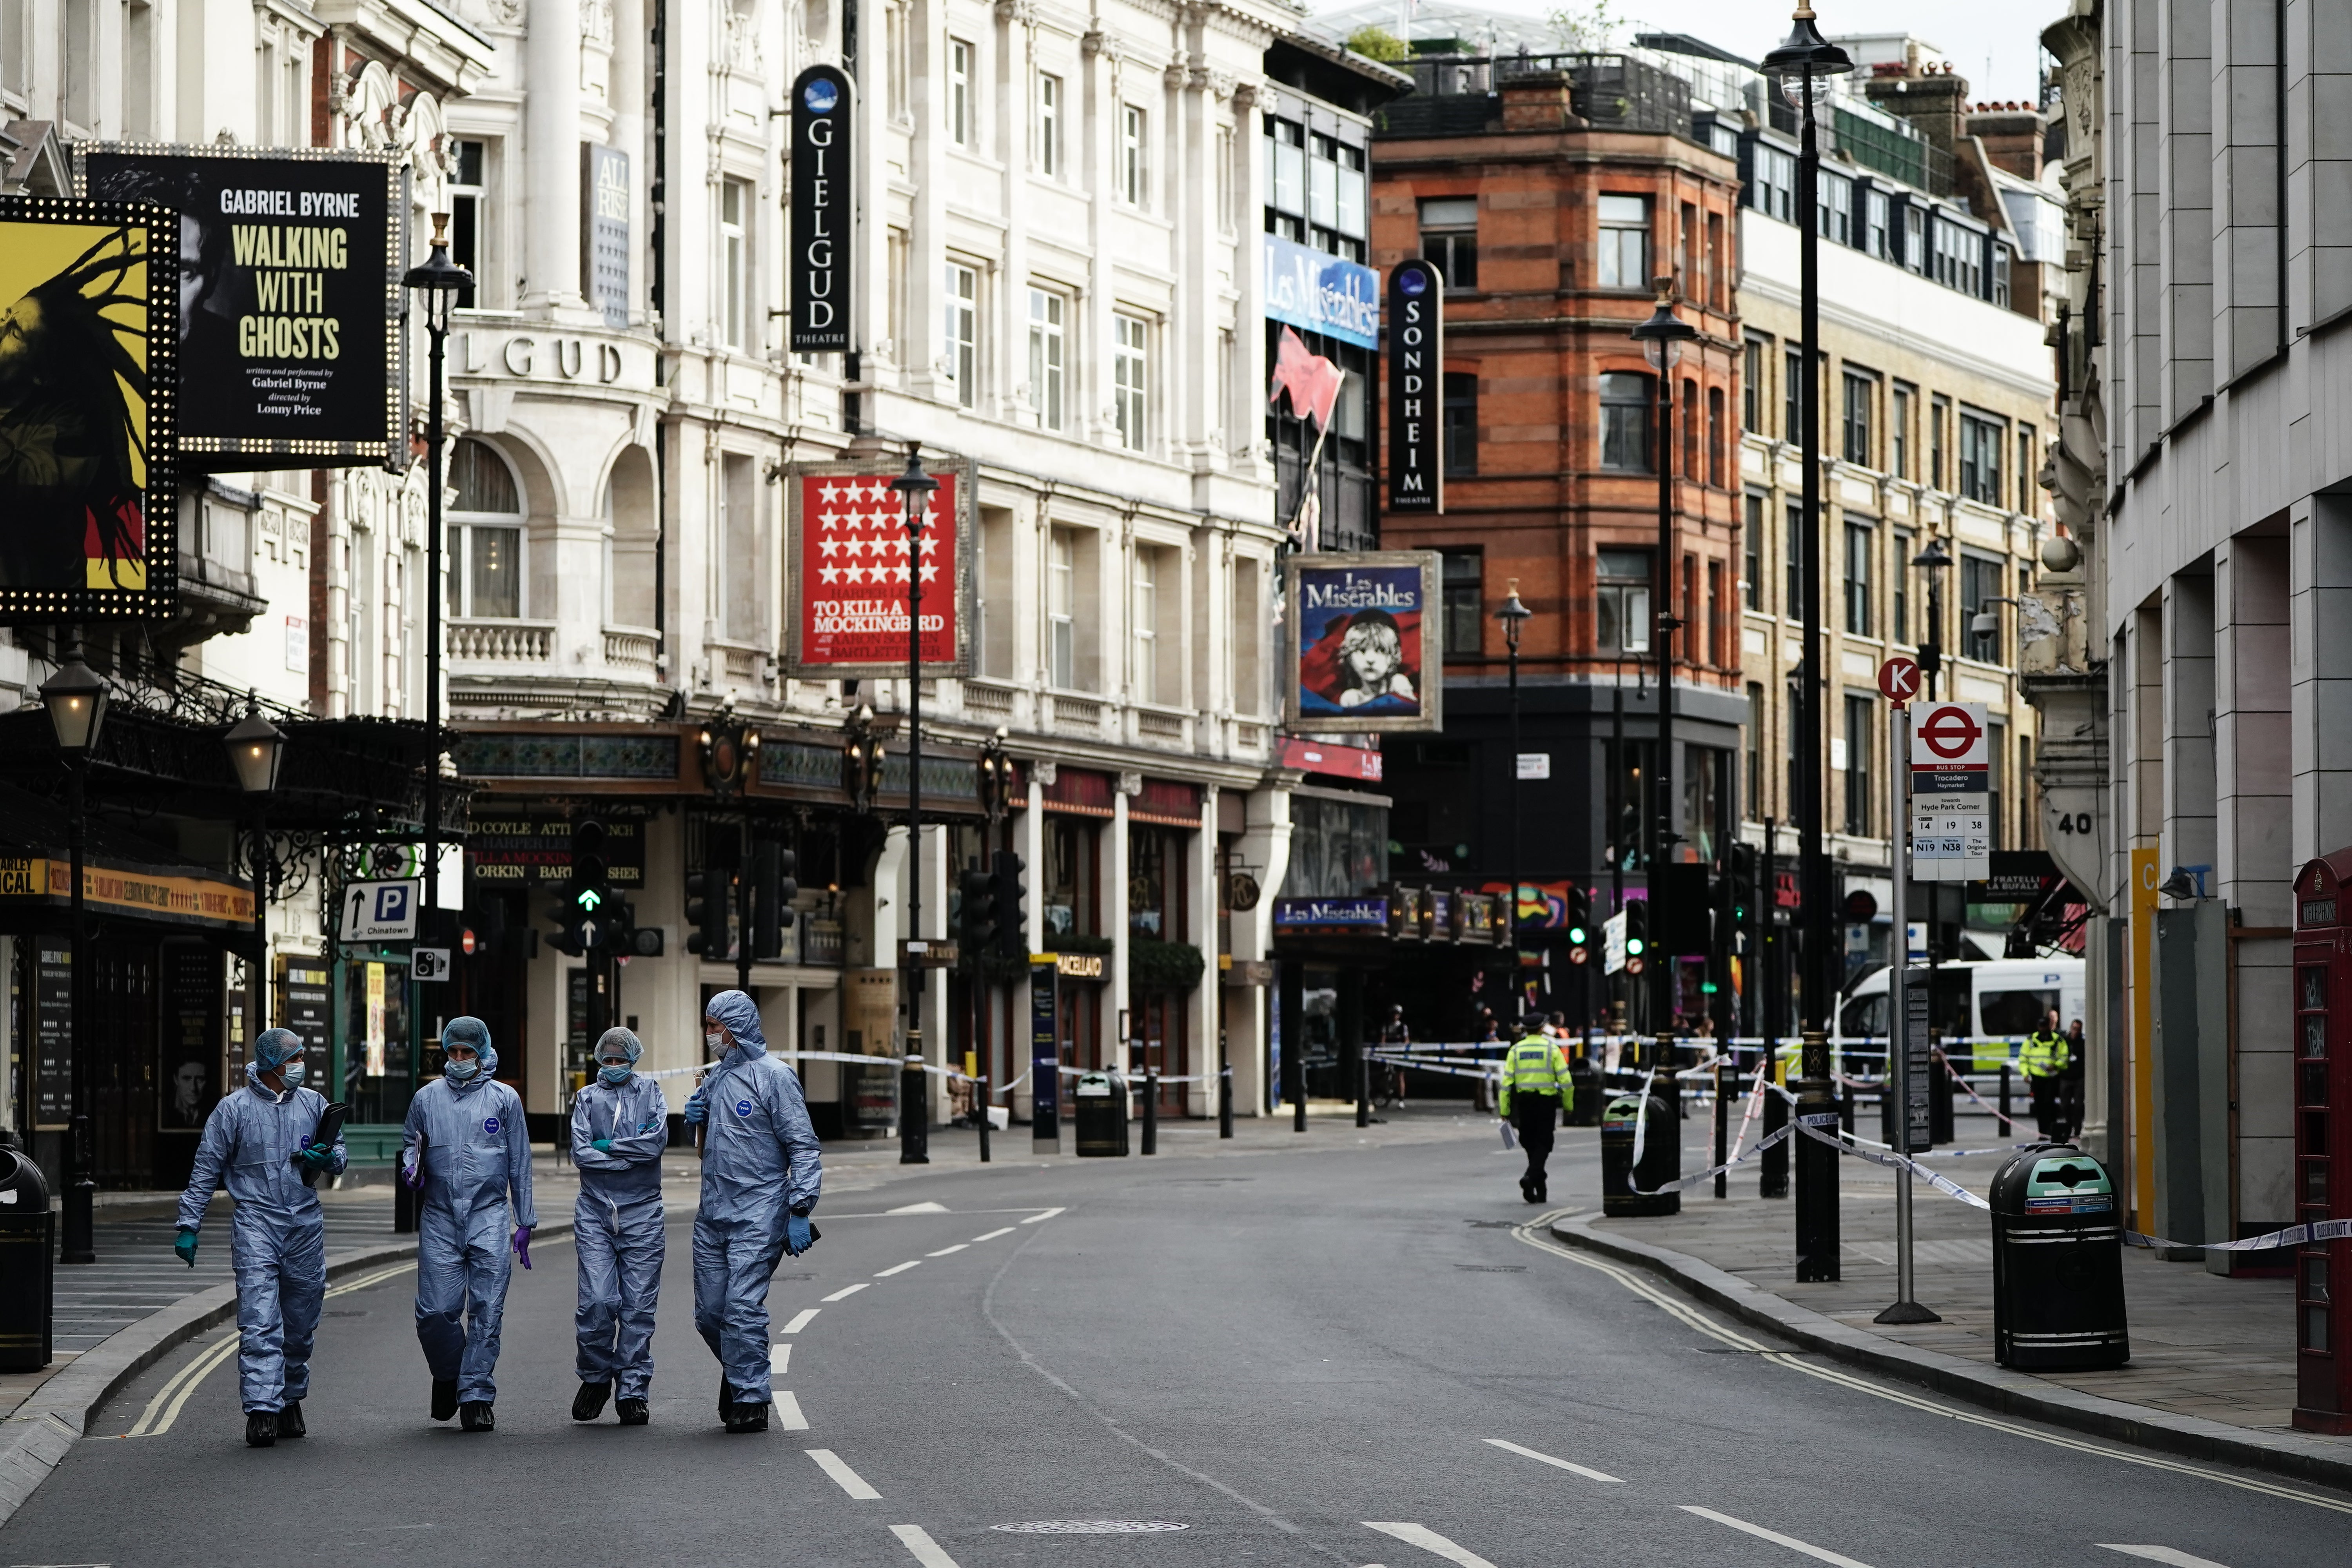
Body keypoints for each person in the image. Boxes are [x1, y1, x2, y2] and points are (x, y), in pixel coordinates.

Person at [174, 1028, 345, 1448]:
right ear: (270, 1065)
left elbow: (339, 1154)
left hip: (305, 1223)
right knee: (260, 1318)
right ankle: (262, 1409)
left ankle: (289, 1398)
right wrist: (188, 1225)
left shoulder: (314, 1104)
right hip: (256, 1222)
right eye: (294, 1059)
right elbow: (206, 1168)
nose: (301, 1065)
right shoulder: (233, 1110)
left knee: (301, 1322)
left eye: (302, 1056)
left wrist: (328, 1159)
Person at [687, 989, 822, 1433]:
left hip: (759, 1210)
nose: (709, 1034)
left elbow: (802, 1146)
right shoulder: (716, 1078)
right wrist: (694, 1118)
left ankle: (751, 1397)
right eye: (706, 1025)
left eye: (714, 1026)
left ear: (736, 1026)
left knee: (741, 1307)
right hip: (712, 1214)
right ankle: (740, 1367)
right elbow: (708, 1145)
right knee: (710, 1314)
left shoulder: (775, 1078)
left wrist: (799, 1206)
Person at [401, 1017, 534, 1432]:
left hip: (489, 1214)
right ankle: (449, 1372)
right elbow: (412, 1144)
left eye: (468, 1053)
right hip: (440, 1217)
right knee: (436, 1312)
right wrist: (412, 1170)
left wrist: (524, 1220)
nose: (459, 1059)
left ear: (482, 1054)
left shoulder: (504, 1099)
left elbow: (521, 1162)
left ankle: (476, 1393)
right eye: (453, 1052)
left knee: (487, 1309)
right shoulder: (426, 1099)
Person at [570, 1025, 669, 1426]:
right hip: (595, 1210)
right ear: (598, 1059)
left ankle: (632, 1387)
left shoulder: (652, 1094)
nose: (614, 1066)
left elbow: (656, 1142)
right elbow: (581, 1152)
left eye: (621, 1059)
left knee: (638, 1306)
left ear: (634, 1059)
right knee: (596, 1300)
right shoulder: (586, 1098)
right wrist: (631, 1156)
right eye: (608, 1059)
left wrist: (608, 1146)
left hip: (643, 1211)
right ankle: (595, 1376)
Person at [1497, 1014, 1575, 1205]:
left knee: (1529, 1141)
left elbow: (1506, 1084)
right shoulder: (1551, 1049)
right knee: (1544, 1142)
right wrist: (1568, 1106)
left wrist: (1504, 1109)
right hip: (1545, 1103)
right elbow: (1566, 1082)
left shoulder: (1515, 1051)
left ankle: (1538, 1186)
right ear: (1542, 1028)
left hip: (1524, 1103)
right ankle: (1531, 1177)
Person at [2020, 1009, 2073, 1142]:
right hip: (2037, 1078)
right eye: (2041, 1026)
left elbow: (2064, 1057)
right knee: (2039, 1106)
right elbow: (2023, 1058)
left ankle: (2051, 1130)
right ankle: (2042, 1132)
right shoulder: (2031, 1040)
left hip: (2052, 1077)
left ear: (2049, 1027)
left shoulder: (2058, 1040)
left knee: (2049, 1104)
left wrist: (2055, 1066)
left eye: (2045, 1026)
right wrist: (2026, 1074)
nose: (2043, 1029)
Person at [1376, 1004, 1410, 1109]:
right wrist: (1382, 1049)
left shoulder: (1403, 1026)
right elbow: (1383, 1039)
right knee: (1383, 1075)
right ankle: (1385, 1094)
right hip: (1388, 1053)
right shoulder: (1386, 1026)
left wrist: (1404, 1048)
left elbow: (1406, 1040)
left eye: (1397, 1014)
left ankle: (1401, 1100)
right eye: (1393, 1014)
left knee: (1400, 1076)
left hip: (1399, 1054)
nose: (1394, 1016)